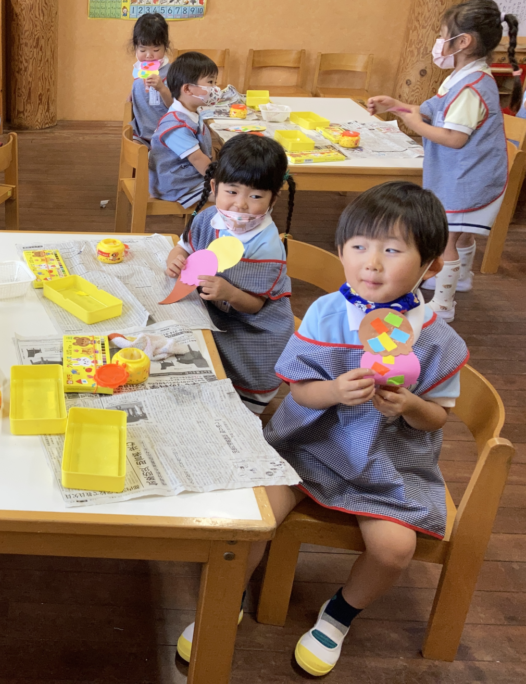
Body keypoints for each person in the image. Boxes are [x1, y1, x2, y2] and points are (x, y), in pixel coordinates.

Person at [176, 182, 467, 674]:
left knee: (395, 549)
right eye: (359, 247)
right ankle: (231, 597)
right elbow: (300, 389)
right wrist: (332, 392)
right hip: (306, 444)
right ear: (341, 252)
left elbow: (438, 416)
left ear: (431, 265)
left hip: (386, 462)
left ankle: (338, 615)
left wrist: (410, 404)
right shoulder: (329, 313)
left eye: (393, 250)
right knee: (252, 516)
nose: (372, 263)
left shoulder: (438, 339)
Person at [368, 0, 519, 322]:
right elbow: (431, 109)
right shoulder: (465, 77)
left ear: (463, 41)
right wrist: (396, 105)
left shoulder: (471, 87)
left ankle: (443, 305)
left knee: (447, 237)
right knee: (461, 234)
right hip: (473, 174)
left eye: (442, 34)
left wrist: (417, 125)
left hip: (468, 178)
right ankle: (461, 278)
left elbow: (454, 137)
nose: (438, 41)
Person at [164, 134, 296, 413]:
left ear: (274, 197)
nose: (241, 205)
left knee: (226, 403)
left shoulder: (266, 244)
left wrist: (230, 293)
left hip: (253, 332)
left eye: (256, 196)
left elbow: (255, 305)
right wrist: (176, 259)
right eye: (232, 191)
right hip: (211, 312)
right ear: (214, 186)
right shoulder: (207, 218)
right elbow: (183, 247)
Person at [148, 51, 218, 208]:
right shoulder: (177, 126)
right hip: (177, 185)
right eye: (210, 82)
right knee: (236, 195)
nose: (215, 88)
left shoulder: (191, 112)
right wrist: (225, 182)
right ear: (188, 89)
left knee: (238, 189)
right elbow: (198, 160)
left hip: (189, 177)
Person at [128, 12, 172, 145]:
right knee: (134, 148)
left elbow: (175, 106)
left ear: (166, 46)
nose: (149, 55)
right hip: (141, 133)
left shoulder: (171, 73)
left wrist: (162, 89)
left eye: (156, 49)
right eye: (142, 50)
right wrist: (132, 95)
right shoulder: (138, 69)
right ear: (135, 47)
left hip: (166, 134)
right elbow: (139, 88)